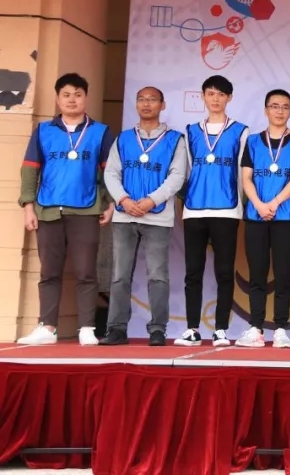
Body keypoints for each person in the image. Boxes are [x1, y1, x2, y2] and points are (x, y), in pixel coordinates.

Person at [18, 73, 115, 346]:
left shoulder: (100, 132)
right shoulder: (43, 131)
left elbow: (110, 172)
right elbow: (30, 170)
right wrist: (28, 206)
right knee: (49, 272)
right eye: (66, 95)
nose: (72, 100)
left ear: (86, 98)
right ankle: (47, 327)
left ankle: (86, 328)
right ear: (57, 99)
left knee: (86, 273)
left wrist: (110, 203)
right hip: (48, 210)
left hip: (86, 210)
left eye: (78, 95)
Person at [101, 87, 187, 346]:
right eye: (141, 99)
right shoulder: (124, 138)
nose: (146, 104)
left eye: (152, 100)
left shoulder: (175, 139)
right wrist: (124, 200)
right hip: (124, 215)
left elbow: (177, 176)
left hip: (157, 217)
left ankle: (158, 329)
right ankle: (116, 329)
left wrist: (151, 200)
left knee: (157, 275)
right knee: (119, 275)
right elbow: (111, 173)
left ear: (162, 104)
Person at [238, 89, 290, 348]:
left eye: (284, 106)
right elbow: (246, 178)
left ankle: (281, 328)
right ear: (266, 110)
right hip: (256, 216)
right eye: (274, 106)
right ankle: (256, 328)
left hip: (286, 217)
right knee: (257, 274)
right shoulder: (252, 141)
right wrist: (259, 205)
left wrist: (274, 203)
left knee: (283, 275)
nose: (279, 111)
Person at [177, 75, 249, 347]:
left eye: (220, 94)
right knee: (193, 272)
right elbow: (185, 171)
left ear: (229, 98)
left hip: (227, 210)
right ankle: (192, 328)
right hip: (194, 209)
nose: (215, 99)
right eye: (210, 93)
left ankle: (221, 329)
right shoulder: (191, 131)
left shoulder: (241, 131)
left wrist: (242, 203)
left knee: (224, 271)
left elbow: (243, 173)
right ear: (203, 97)